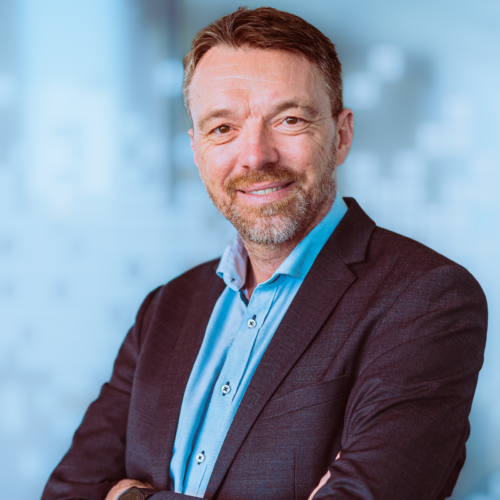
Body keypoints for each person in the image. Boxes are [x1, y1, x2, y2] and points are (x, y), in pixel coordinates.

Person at [42, 7, 487, 500]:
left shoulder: (426, 298)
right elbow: (67, 491)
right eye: (222, 128)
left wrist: (129, 496)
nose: (255, 156)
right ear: (195, 149)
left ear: (341, 136)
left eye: (289, 120)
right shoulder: (166, 308)